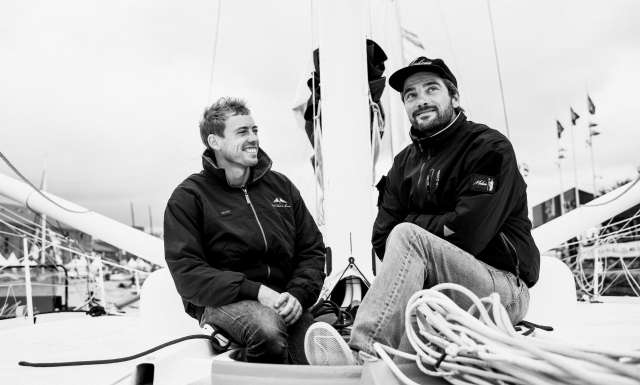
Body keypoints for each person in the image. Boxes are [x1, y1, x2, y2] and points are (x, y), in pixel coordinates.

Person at [305, 57, 540, 365]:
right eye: (411, 95)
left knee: (406, 236)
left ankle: (362, 353)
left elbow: (469, 233)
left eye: (432, 89)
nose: (421, 100)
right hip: (433, 294)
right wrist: (434, 225)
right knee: (404, 239)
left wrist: (413, 224)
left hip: (501, 290)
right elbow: (380, 240)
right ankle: (390, 360)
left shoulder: (488, 148)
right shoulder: (403, 164)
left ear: (454, 98)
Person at [164, 97, 325, 364]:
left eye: (254, 130)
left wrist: (297, 295)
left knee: (318, 348)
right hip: (221, 302)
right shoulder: (189, 197)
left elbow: (311, 250)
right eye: (242, 132)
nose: (253, 138)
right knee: (268, 330)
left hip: (284, 298)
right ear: (215, 142)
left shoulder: (281, 188)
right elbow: (187, 272)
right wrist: (257, 291)